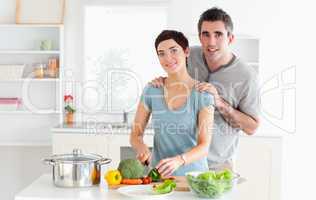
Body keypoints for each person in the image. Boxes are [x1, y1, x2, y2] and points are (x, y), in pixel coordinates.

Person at [151, 7, 260, 170]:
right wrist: (163, 81)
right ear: (200, 37)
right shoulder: (189, 55)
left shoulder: (247, 76)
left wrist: (220, 103)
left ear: (230, 38)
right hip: (181, 163)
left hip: (217, 166)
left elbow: (252, 127)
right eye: (206, 34)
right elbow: (174, 76)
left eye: (218, 34)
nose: (211, 42)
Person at [130, 30, 215, 177]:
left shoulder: (203, 94)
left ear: (186, 52)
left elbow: (204, 146)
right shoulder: (152, 90)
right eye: (161, 53)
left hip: (194, 178)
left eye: (173, 50)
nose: (168, 58)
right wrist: (141, 147)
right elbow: (135, 135)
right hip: (159, 177)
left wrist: (180, 160)